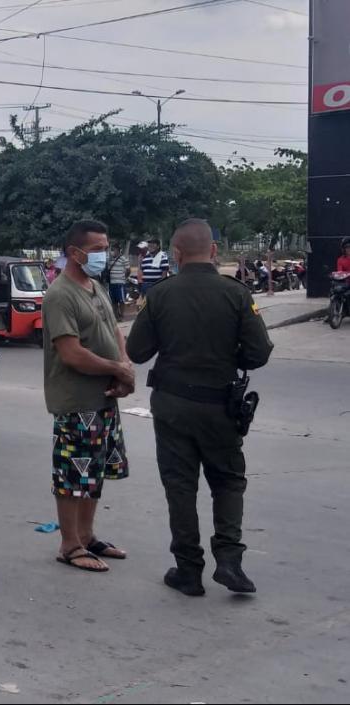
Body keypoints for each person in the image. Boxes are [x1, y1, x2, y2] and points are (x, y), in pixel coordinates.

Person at [126, 219, 274, 597]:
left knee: (180, 486)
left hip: (172, 406)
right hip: (220, 406)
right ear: (213, 251)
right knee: (227, 481)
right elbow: (259, 352)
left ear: (175, 255)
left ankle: (188, 570)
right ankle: (229, 559)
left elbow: (137, 351)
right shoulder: (237, 294)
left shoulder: (159, 294)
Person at [43, 220, 134, 574]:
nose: (103, 255)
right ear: (74, 252)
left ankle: (87, 535)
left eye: (105, 247)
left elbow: (113, 330)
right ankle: (69, 544)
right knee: (73, 477)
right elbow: (71, 353)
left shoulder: (94, 287)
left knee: (94, 473)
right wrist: (117, 368)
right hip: (76, 402)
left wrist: (122, 366)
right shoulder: (60, 294)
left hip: (103, 399)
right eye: (97, 249)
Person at [107, 244, 131, 318]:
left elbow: (128, 270)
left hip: (120, 283)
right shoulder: (109, 260)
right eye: (111, 250)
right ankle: (116, 316)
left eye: (114, 250)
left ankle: (122, 315)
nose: (112, 252)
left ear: (118, 250)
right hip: (111, 283)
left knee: (121, 300)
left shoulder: (123, 259)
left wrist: (124, 277)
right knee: (113, 301)